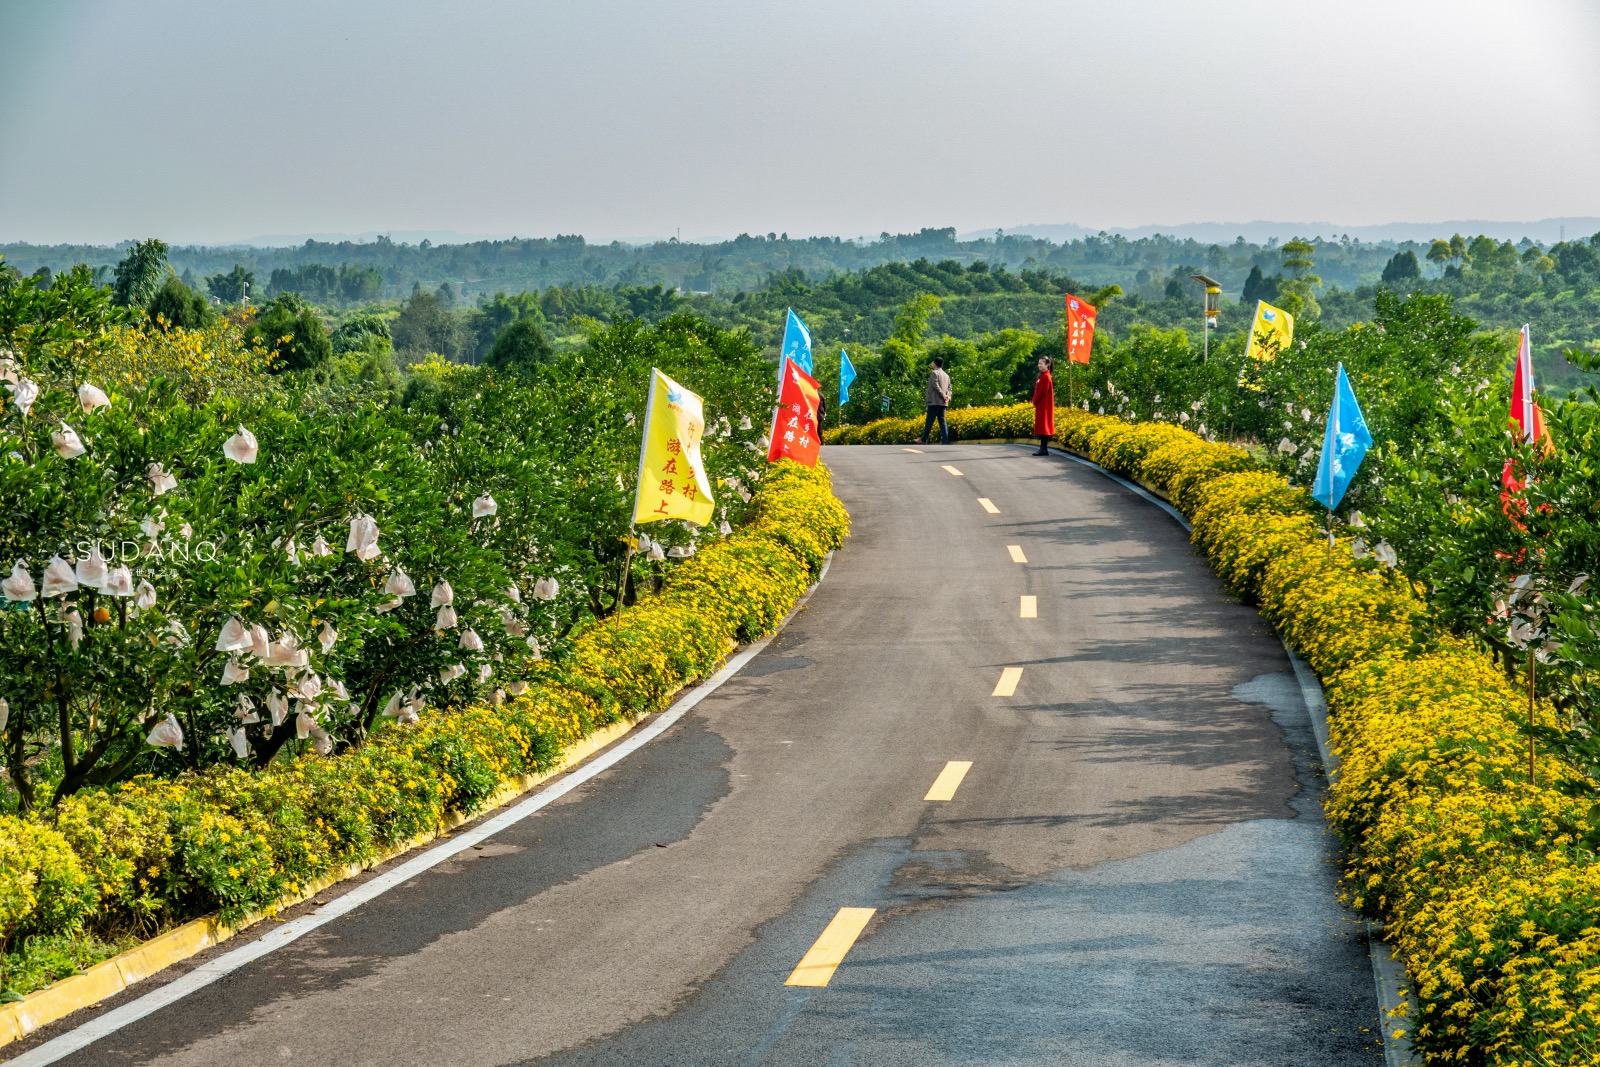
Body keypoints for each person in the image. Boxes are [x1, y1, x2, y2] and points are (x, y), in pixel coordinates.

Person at [921, 356, 951, 444]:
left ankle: (924, 439)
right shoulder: (946, 375)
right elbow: (949, 388)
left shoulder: (934, 373)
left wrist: (943, 396)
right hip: (943, 403)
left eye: (932, 363)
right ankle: (945, 440)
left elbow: (936, 386)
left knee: (929, 421)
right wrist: (948, 397)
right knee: (942, 421)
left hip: (934, 402)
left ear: (934, 363)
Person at [1030, 356, 1054, 455]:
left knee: (1044, 427)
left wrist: (1034, 401)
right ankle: (1043, 448)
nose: (1039, 365)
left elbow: (1042, 392)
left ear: (1047, 365)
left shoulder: (1046, 377)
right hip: (1042, 405)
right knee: (1043, 426)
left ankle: (1043, 448)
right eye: (1038, 363)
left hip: (1044, 405)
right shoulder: (1043, 376)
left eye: (1041, 363)